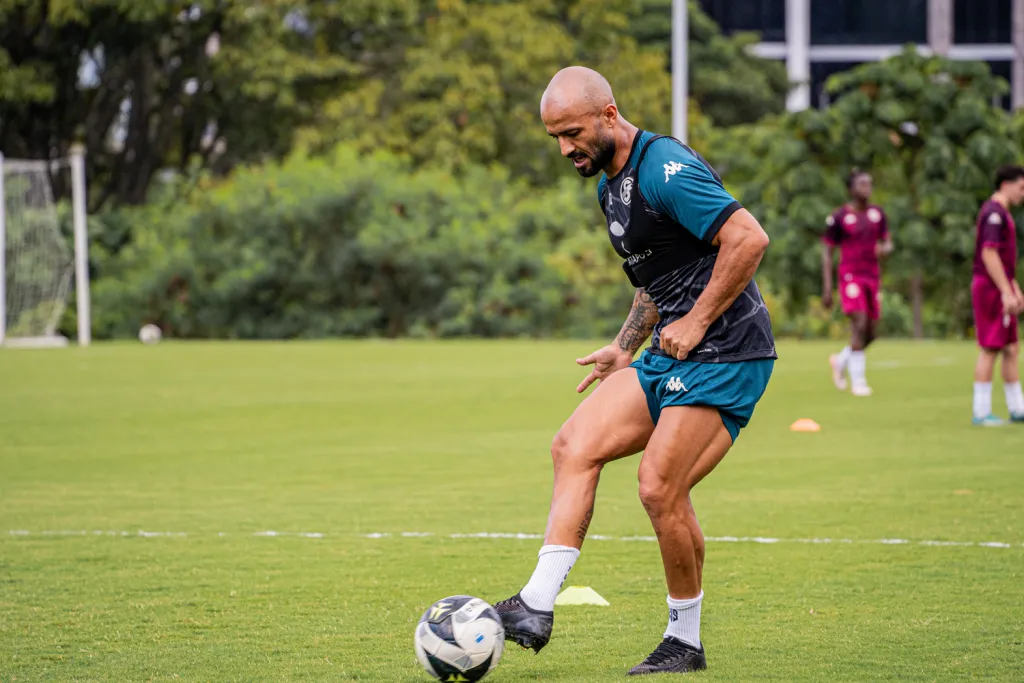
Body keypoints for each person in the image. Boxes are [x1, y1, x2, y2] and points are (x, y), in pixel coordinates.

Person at [492, 66, 776, 676]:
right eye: (555, 139)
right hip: (670, 355)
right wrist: (626, 346)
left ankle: (685, 641)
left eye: (572, 133)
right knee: (573, 445)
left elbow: (749, 239)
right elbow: (657, 279)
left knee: (657, 487)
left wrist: (697, 322)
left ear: (609, 114)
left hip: (728, 353)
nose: (566, 148)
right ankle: (535, 605)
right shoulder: (609, 186)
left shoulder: (664, 168)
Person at [822, 170, 893, 397]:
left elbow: (887, 241)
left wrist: (885, 248)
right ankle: (859, 382)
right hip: (850, 276)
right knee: (859, 323)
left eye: (869, 183)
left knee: (871, 332)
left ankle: (841, 360)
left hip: (872, 276)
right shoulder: (840, 217)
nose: (867, 188)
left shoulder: (877, 214)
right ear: (851, 189)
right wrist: (827, 287)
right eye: (862, 184)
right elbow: (827, 251)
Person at [970, 165, 1024, 426]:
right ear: (1006, 184)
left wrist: (1014, 287)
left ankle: (1017, 408)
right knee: (991, 347)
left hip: (1001, 285)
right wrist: (1004, 291)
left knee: (1012, 348)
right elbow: (989, 254)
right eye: (1021, 187)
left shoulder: (1003, 213)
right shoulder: (993, 213)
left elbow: (1003, 259)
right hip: (989, 287)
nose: (1023, 194)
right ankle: (981, 412)